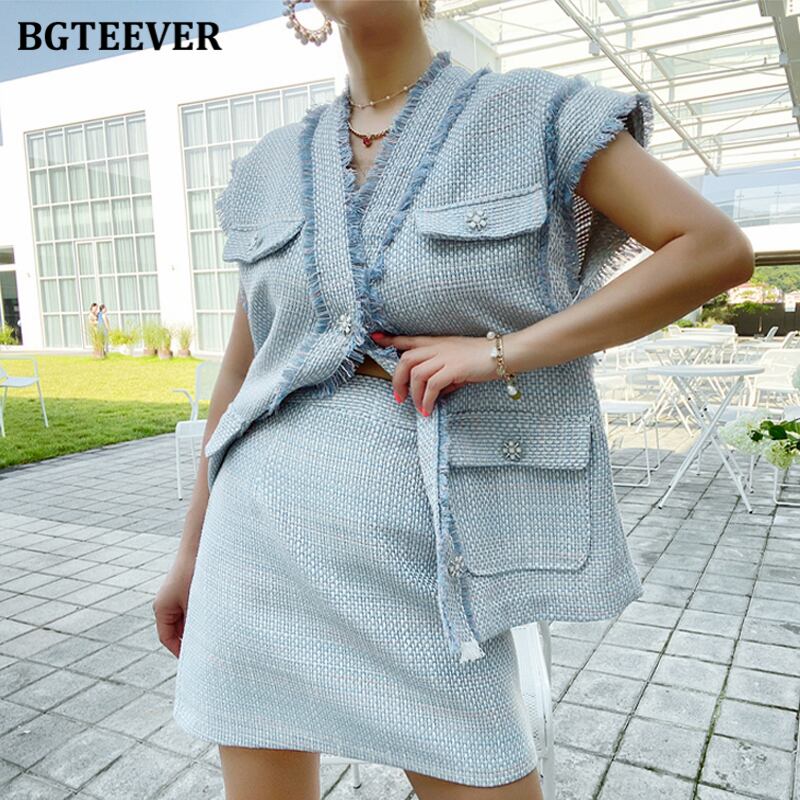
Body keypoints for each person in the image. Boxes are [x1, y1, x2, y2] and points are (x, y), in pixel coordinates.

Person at [153, 2, 754, 798]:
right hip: (254, 539)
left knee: (485, 772)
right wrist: (189, 555)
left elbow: (713, 249)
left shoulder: (535, 113)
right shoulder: (270, 165)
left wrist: (502, 351)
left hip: (426, 551)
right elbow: (241, 375)